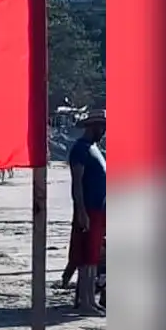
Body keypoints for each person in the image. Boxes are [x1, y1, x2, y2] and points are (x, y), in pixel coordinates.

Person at [64, 109, 107, 316]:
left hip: (99, 209)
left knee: (92, 259)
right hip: (88, 209)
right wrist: (80, 210)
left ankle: (90, 299)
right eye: (102, 127)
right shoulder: (80, 150)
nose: (104, 131)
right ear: (93, 127)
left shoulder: (94, 148)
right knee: (85, 259)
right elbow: (77, 183)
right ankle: (85, 302)